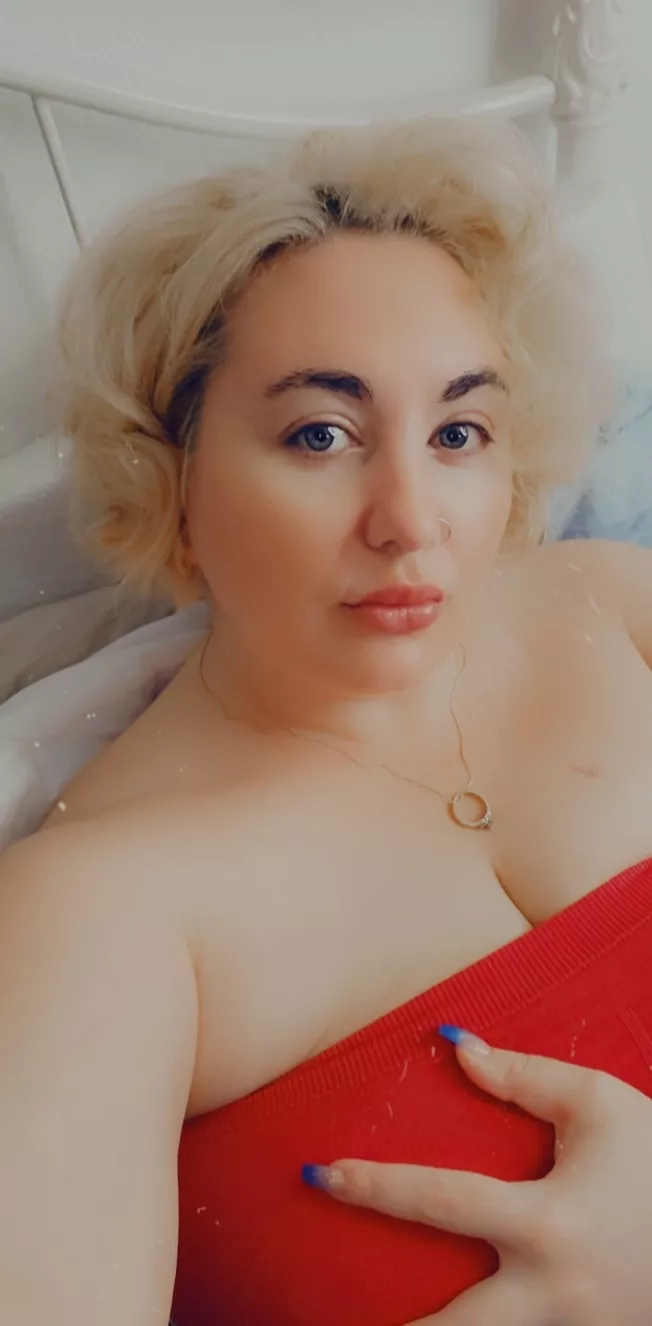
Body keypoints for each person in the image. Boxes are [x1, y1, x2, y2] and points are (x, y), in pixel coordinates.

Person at [1, 116, 651, 1326]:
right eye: (321, 435)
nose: (410, 519)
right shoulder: (96, 912)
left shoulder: (612, 610)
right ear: (170, 472)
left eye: (457, 432)